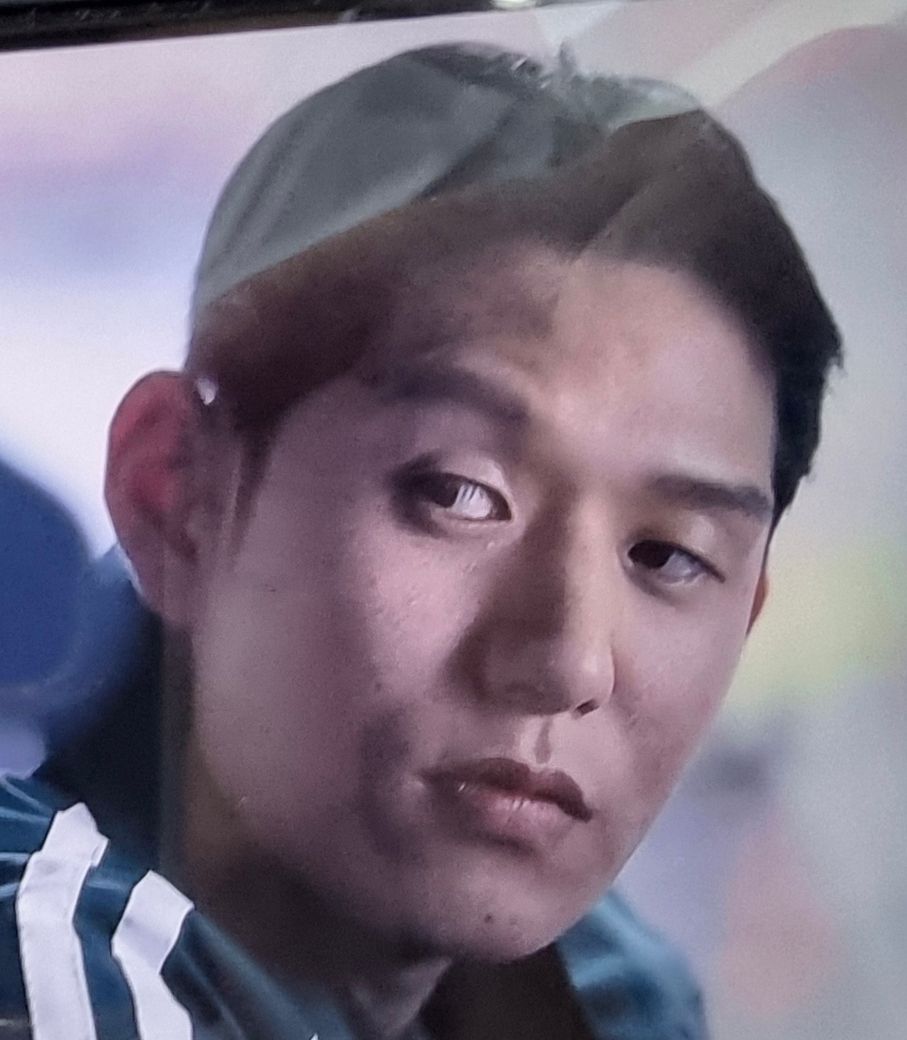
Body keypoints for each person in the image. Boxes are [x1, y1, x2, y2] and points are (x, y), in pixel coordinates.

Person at [0, 43, 841, 1040]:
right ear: (176, 494)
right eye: (459, 494)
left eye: (667, 556)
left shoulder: (611, 989)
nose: (566, 662)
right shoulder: (50, 972)